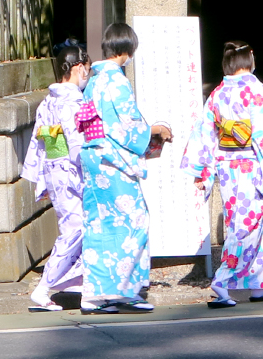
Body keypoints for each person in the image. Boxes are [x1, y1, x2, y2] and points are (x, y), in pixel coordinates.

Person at [183, 40, 263, 308]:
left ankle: (261, 284)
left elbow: (205, 133)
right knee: (246, 228)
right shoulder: (257, 91)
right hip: (252, 167)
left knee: (252, 225)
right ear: (250, 60)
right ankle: (222, 282)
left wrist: (201, 170)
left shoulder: (218, 93)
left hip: (228, 169)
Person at [78, 22, 174, 313]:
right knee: (134, 221)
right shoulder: (117, 81)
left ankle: (95, 294)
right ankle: (125, 290)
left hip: (94, 159)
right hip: (112, 162)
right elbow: (127, 126)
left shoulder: (93, 79)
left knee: (98, 224)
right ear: (126, 50)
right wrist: (155, 129)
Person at [22, 40, 90, 311]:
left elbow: (44, 144)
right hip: (72, 174)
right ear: (76, 67)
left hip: (56, 172)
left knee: (76, 229)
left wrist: (44, 178)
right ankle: (45, 286)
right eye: (86, 67)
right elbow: (76, 146)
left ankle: (83, 286)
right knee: (77, 230)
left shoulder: (48, 102)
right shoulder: (72, 102)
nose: (87, 72)